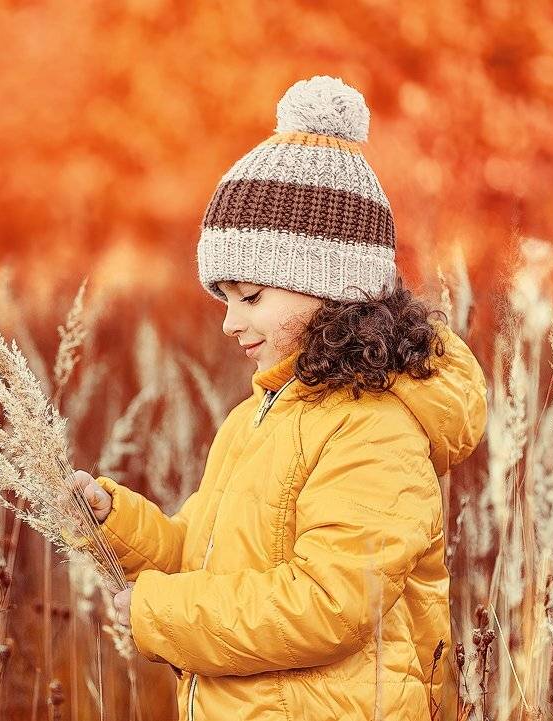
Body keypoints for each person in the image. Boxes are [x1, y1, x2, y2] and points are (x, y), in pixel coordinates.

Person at [71, 75, 487, 721]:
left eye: (251, 297)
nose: (229, 322)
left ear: (332, 288)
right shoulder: (258, 417)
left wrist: (162, 612)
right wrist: (114, 523)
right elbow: (201, 557)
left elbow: (329, 604)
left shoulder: (375, 428)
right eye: (225, 298)